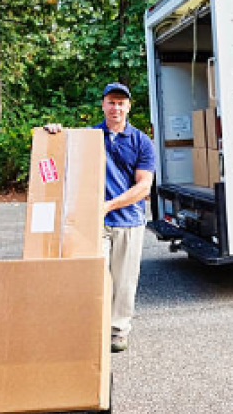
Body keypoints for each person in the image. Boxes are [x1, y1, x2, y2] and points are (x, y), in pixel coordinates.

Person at [45, 82, 155, 352]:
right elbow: (62, 151)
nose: (116, 107)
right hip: (94, 222)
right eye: (111, 102)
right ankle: (92, 327)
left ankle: (118, 331)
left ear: (128, 107)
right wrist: (55, 133)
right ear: (103, 105)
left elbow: (143, 187)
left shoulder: (141, 141)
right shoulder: (90, 136)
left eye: (121, 103)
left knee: (124, 279)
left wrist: (109, 205)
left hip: (129, 220)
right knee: (93, 276)